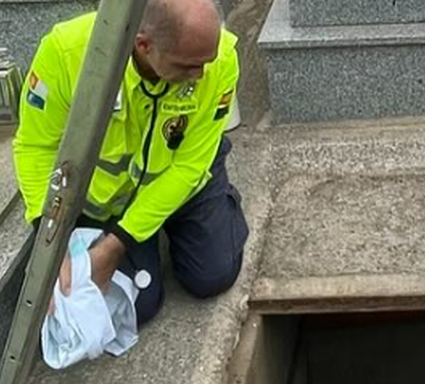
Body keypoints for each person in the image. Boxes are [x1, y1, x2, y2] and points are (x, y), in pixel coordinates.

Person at [13, 0, 249, 327]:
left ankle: (216, 202)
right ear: (143, 45)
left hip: (182, 176)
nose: (201, 74)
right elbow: (36, 147)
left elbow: (188, 167)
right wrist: (48, 240)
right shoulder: (68, 55)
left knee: (212, 275)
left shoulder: (219, 57)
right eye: (188, 66)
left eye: (206, 62)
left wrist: (117, 243)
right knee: (139, 306)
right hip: (108, 198)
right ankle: (145, 231)